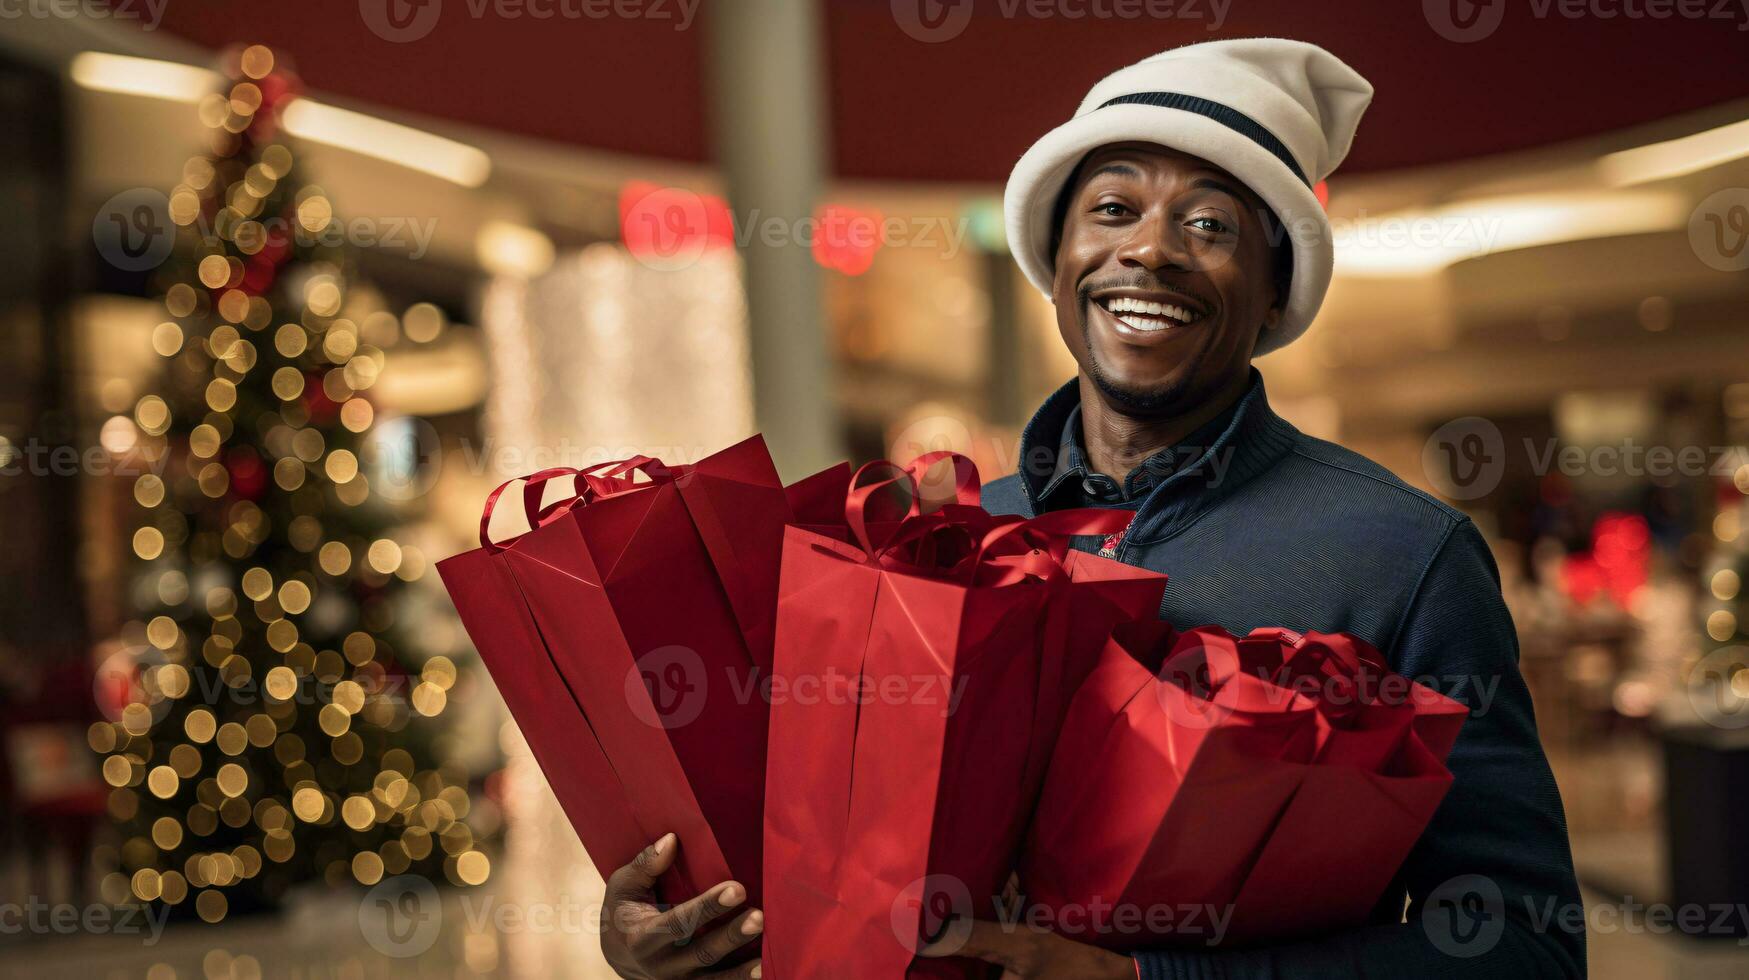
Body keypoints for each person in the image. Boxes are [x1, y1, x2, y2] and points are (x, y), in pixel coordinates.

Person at [599, 38, 1586, 979]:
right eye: (1112, 208)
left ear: (1275, 282)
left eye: (1210, 225)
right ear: (1058, 257)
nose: (1150, 251)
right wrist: (673, 922)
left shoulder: (1403, 556)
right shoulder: (947, 539)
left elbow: (1525, 945)